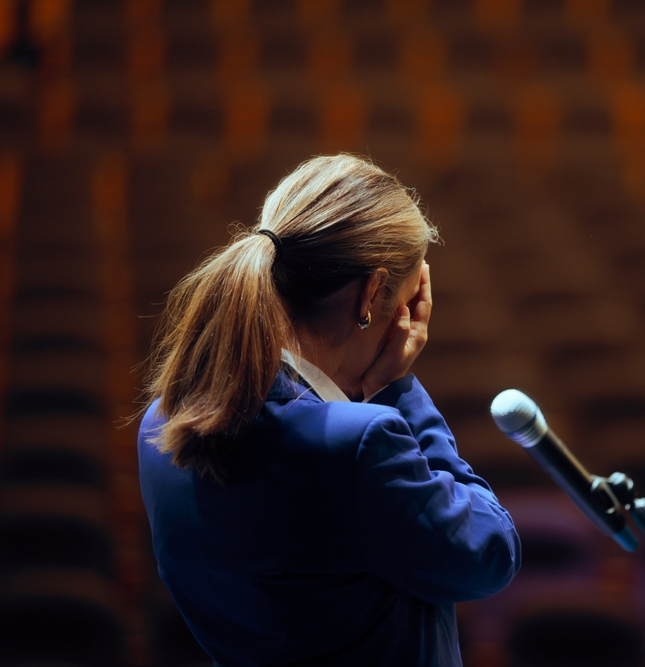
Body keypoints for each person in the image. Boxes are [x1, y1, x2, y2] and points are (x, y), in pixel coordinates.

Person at [137, 154, 520, 666]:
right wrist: (396, 389)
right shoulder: (358, 445)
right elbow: (490, 553)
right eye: (409, 303)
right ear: (372, 294)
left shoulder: (160, 422)